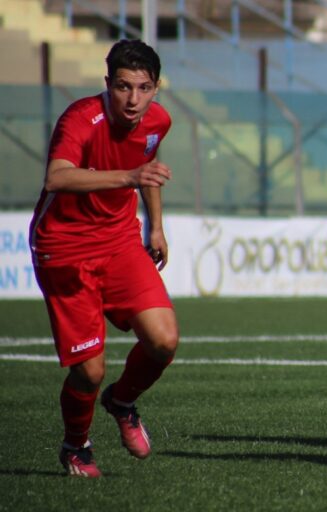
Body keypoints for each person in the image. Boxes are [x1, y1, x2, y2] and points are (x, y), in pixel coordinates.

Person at [29, 39, 178, 478]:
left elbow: (146, 161)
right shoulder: (80, 119)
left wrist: (155, 225)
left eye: (145, 88)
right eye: (124, 87)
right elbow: (56, 176)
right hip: (65, 248)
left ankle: (123, 401)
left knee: (164, 340)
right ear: (107, 83)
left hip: (119, 241)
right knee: (88, 372)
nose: (134, 100)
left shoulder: (158, 121)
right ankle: (76, 446)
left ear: (155, 88)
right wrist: (129, 177)